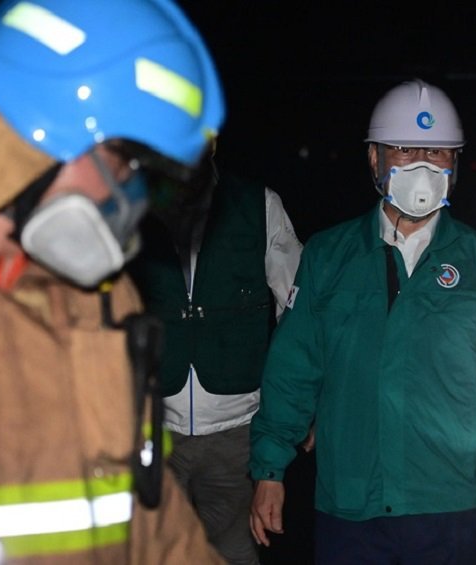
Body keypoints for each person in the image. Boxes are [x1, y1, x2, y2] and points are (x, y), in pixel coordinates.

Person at [0, 1, 227, 563]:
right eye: (123, 162)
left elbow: (155, 516)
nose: (126, 196)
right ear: (41, 130)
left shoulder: (99, 296)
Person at [249, 78, 476, 564]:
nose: (424, 166)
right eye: (406, 150)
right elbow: (294, 367)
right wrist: (269, 468)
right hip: (350, 502)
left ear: (456, 164)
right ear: (375, 158)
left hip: (444, 501)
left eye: (440, 153)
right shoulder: (329, 255)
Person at [128, 147, 303, 564]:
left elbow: (298, 311)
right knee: (151, 553)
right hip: (152, 425)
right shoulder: (126, 202)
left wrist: (298, 409)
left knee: (232, 551)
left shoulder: (259, 204)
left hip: (237, 428)